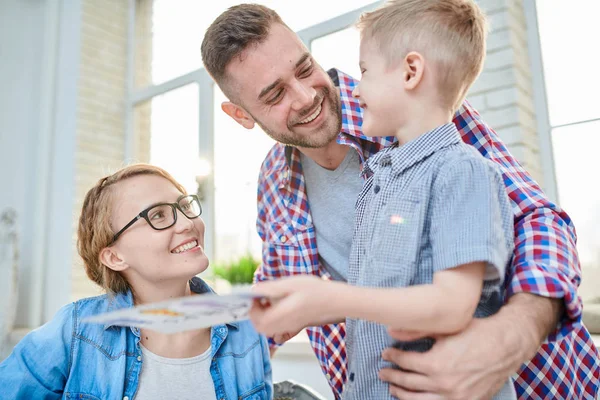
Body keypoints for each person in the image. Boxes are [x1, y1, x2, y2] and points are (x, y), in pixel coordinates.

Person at [200, 3, 599, 400]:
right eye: (275, 95)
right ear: (240, 115)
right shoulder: (274, 180)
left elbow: (536, 218)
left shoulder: (416, 107)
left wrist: (514, 333)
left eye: (305, 69)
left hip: (540, 380)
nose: (306, 97)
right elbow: (279, 287)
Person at [249, 0, 517, 399]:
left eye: (365, 73)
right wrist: (309, 306)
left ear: (412, 72)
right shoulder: (383, 180)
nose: (354, 90)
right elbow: (387, 290)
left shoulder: (462, 171)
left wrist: (334, 297)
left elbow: (453, 305)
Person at [0, 164, 272, 400]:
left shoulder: (248, 332)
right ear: (115, 257)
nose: (187, 223)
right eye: (158, 215)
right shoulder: (73, 333)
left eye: (185, 206)